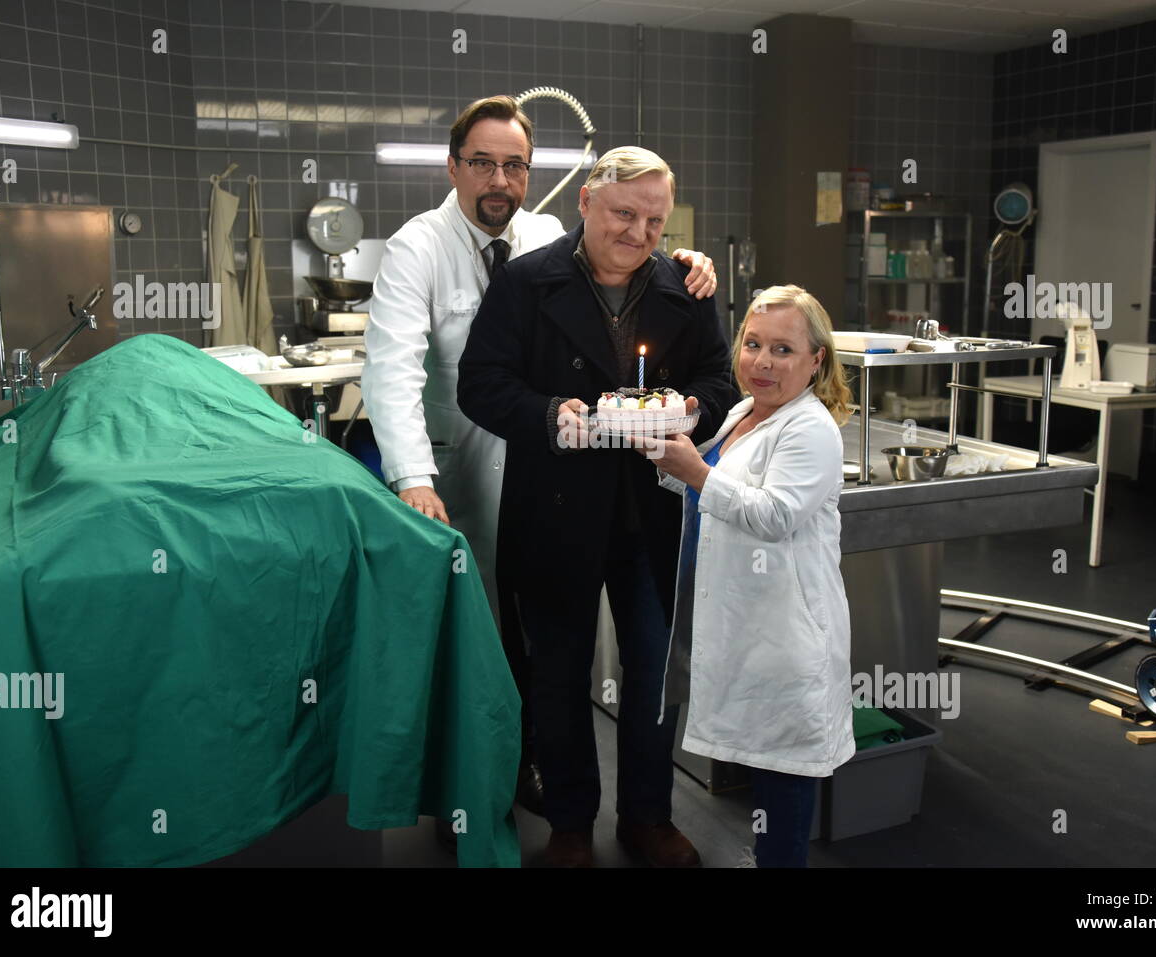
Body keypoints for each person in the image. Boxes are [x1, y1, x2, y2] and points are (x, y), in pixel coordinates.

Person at [361, 96, 718, 818]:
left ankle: (558, 782)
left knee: (565, 655)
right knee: (489, 644)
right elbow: (394, 369)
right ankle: (473, 788)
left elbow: (686, 344)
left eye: (515, 165)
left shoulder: (545, 235)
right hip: (459, 466)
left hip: (570, 473)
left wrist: (684, 261)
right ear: (453, 166)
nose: (501, 179)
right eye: (484, 163)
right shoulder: (416, 248)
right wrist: (412, 478)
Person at [457, 146, 738, 867]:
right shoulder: (525, 282)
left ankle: (647, 816)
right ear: (586, 202)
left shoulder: (686, 285)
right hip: (555, 510)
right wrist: (551, 414)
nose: (639, 233)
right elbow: (480, 383)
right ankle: (571, 823)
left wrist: (694, 406)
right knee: (558, 673)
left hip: (653, 515)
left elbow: (720, 379)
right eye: (624, 213)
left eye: (654, 220)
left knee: (652, 673)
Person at [639, 284, 856, 868]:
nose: (762, 362)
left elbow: (775, 515)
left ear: (817, 361)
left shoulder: (810, 428)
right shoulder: (744, 412)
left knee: (783, 782)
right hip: (746, 625)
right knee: (765, 769)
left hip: (784, 635)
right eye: (753, 344)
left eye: (783, 350)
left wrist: (694, 472)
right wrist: (668, 457)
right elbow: (708, 478)